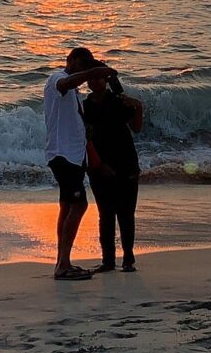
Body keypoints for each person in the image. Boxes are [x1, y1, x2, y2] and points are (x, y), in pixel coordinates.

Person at [44, 47, 115, 281]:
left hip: (73, 157)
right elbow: (67, 83)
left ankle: (62, 261)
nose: (85, 69)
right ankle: (63, 265)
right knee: (79, 206)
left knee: (67, 206)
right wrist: (96, 70)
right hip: (63, 155)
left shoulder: (74, 92)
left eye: (89, 65)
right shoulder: (59, 79)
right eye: (83, 64)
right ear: (71, 60)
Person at [83, 63, 144, 273]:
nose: (95, 82)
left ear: (106, 81)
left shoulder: (119, 101)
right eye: (91, 78)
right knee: (105, 215)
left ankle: (128, 258)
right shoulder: (85, 106)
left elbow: (136, 128)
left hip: (126, 162)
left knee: (126, 214)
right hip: (100, 166)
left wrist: (138, 106)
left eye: (99, 78)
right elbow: (86, 138)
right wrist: (99, 165)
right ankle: (108, 261)